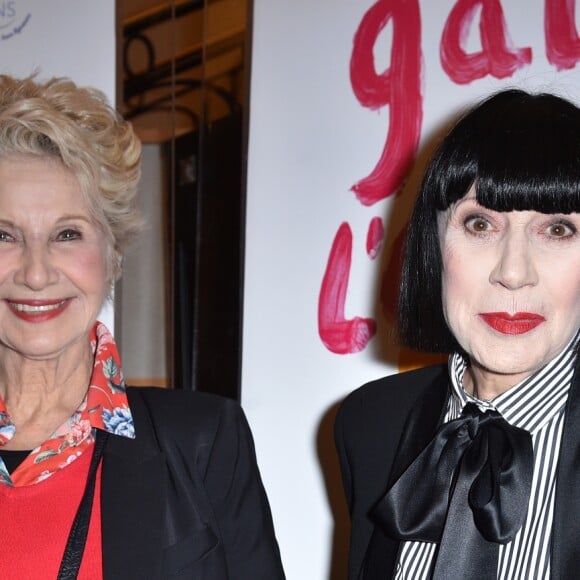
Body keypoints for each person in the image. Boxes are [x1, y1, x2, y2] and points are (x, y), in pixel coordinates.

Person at [0, 74, 285, 579]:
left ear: (111, 254)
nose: (36, 272)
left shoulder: (202, 441)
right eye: (5, 235)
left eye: (68, 233)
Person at [335, 88, 580, 579]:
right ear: (434, 242)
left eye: (557, 229)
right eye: (480, 223)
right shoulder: (369, 423)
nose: (513, 272)